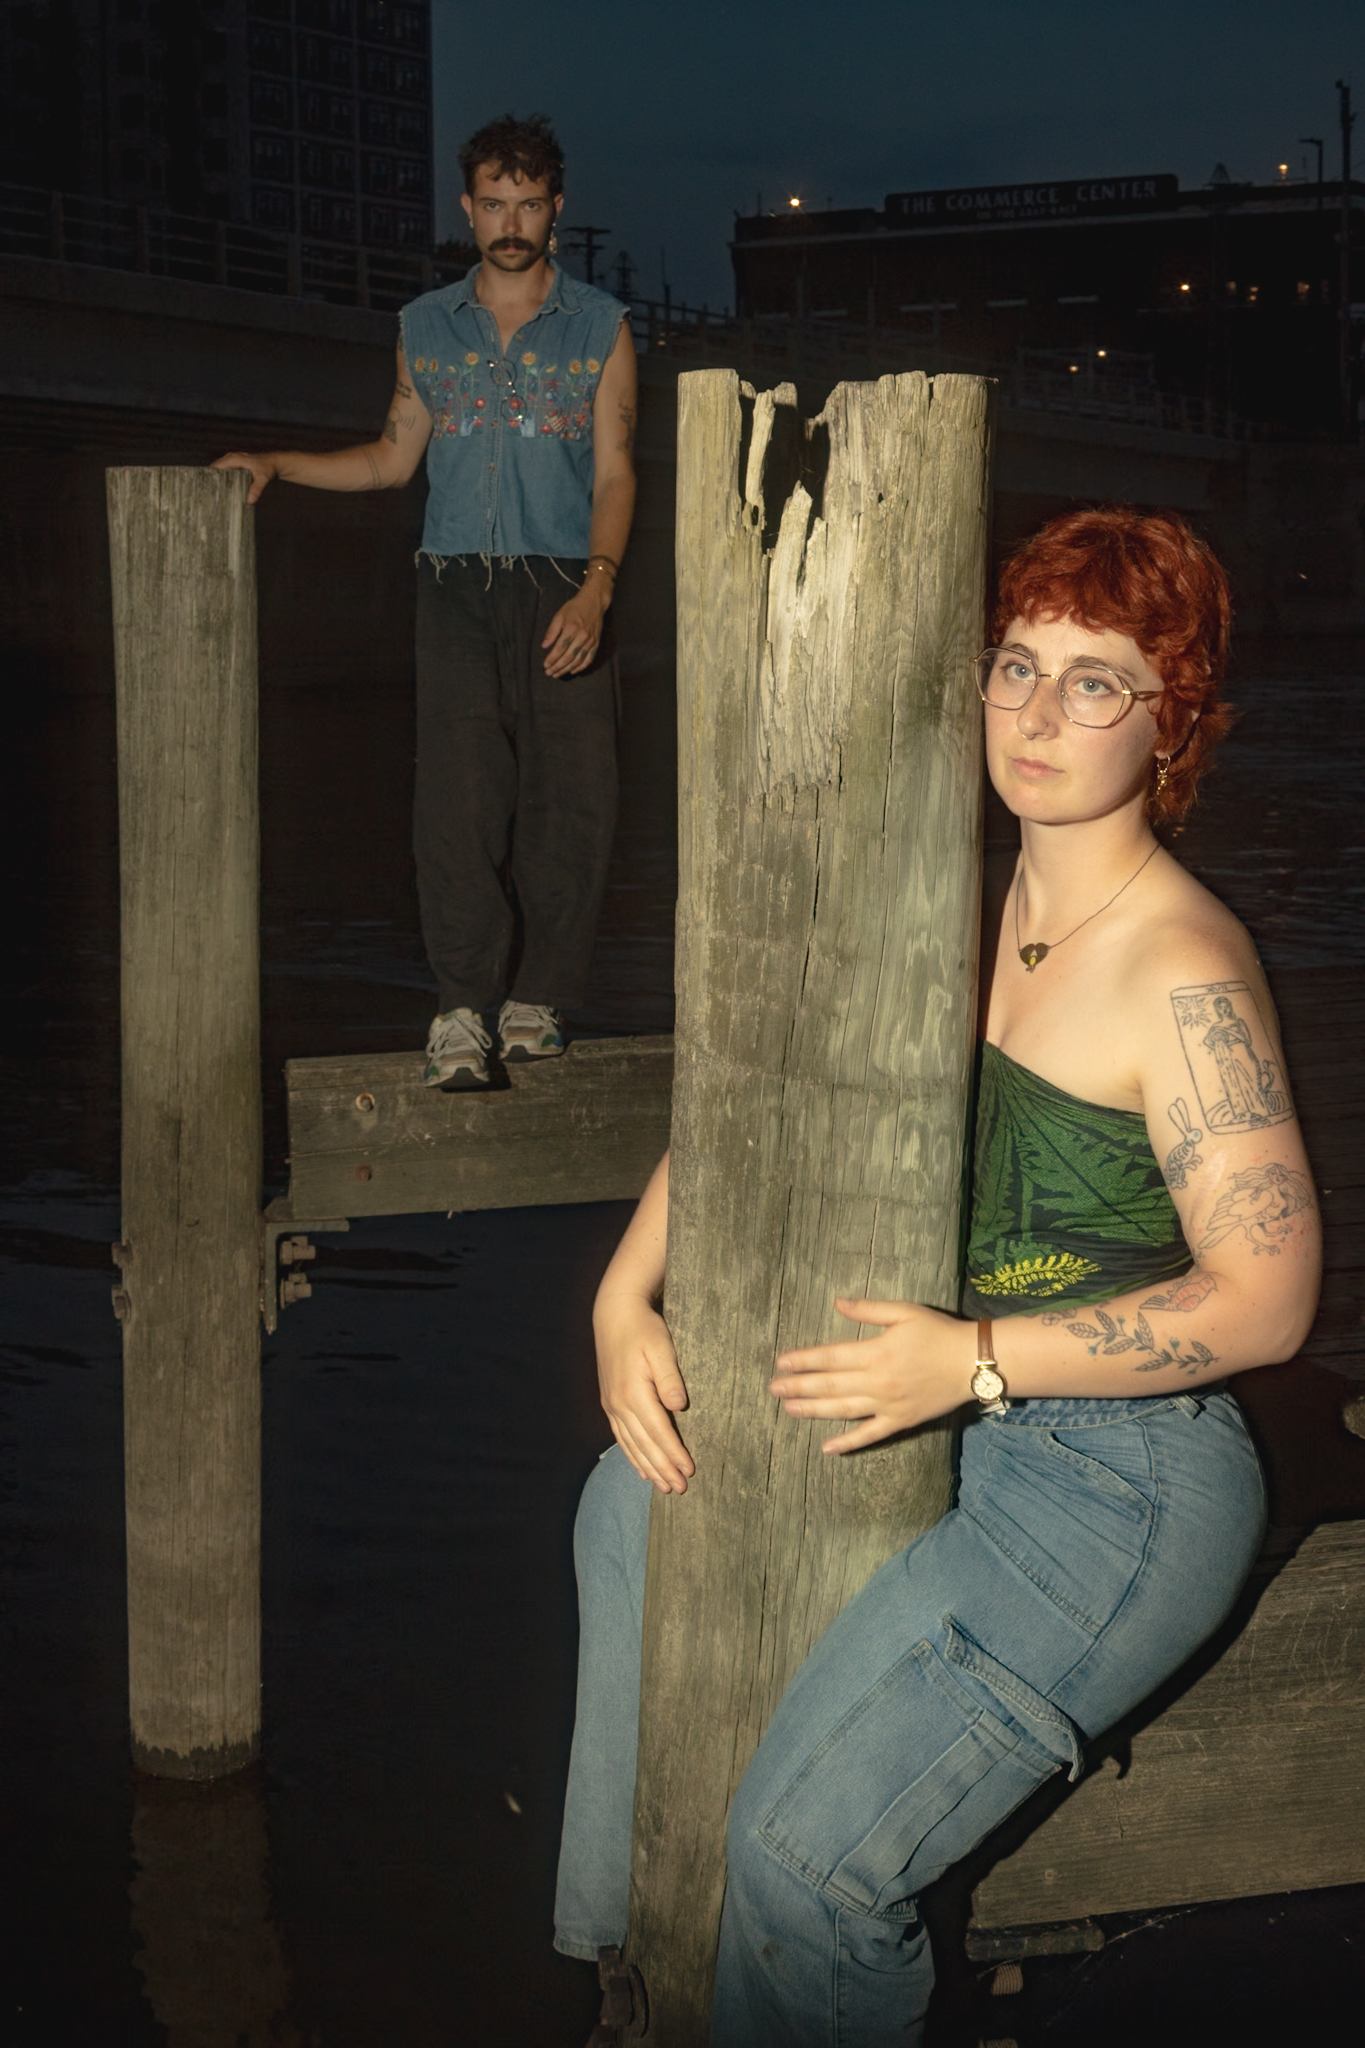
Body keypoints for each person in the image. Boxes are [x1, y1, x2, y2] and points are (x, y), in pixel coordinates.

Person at [552, 508, 1321, 2044]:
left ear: (1172, 720)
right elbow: (762, 1084)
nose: (1037, 715)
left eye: (1097, 681)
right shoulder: (946, 896)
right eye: (1017, 665)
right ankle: (634, 1972)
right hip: (951, 1398)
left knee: (812, 1860)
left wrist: (972, 1361)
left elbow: (1266, 1301)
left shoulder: (1181, 965)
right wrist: (624, 1295)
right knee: (630, 1503)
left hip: (1118, 1476)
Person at [213, 113, 637, 1089]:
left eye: (530, 202)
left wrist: (598, 586)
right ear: (468, 206)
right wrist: (278, 460)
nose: (511, 220)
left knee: (575, 799)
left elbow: (616, 475)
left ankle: (538, 1000)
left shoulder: (602, 328)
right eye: (494, 202)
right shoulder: (424, 330)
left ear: (556, 207)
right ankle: (460, 1008)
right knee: (456, 800)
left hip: (564, 582)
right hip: (453, 585)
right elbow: (390, 459)